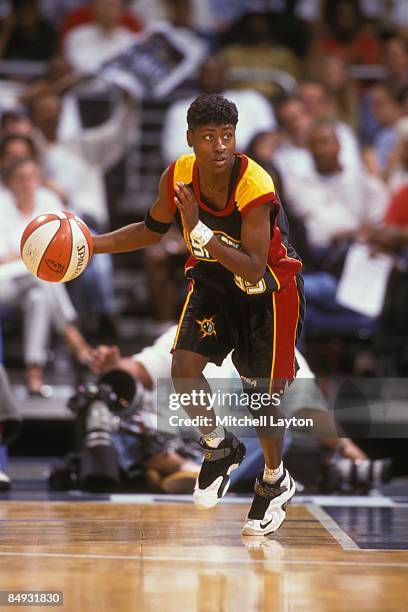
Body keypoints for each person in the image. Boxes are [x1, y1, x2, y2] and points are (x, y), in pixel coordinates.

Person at [91, 93, 304, 536]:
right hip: (212, 281)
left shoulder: (255, 185)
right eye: (209, 137)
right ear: (190, 140)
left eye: (227, 136)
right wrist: (94, 243)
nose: (220, 146)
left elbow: (252, 264)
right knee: (183, 368)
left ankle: (274, 479)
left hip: (267, 289)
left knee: (261, 397)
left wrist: (201, 230)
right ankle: (218, 447)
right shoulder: (180, 175)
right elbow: (150, 231)